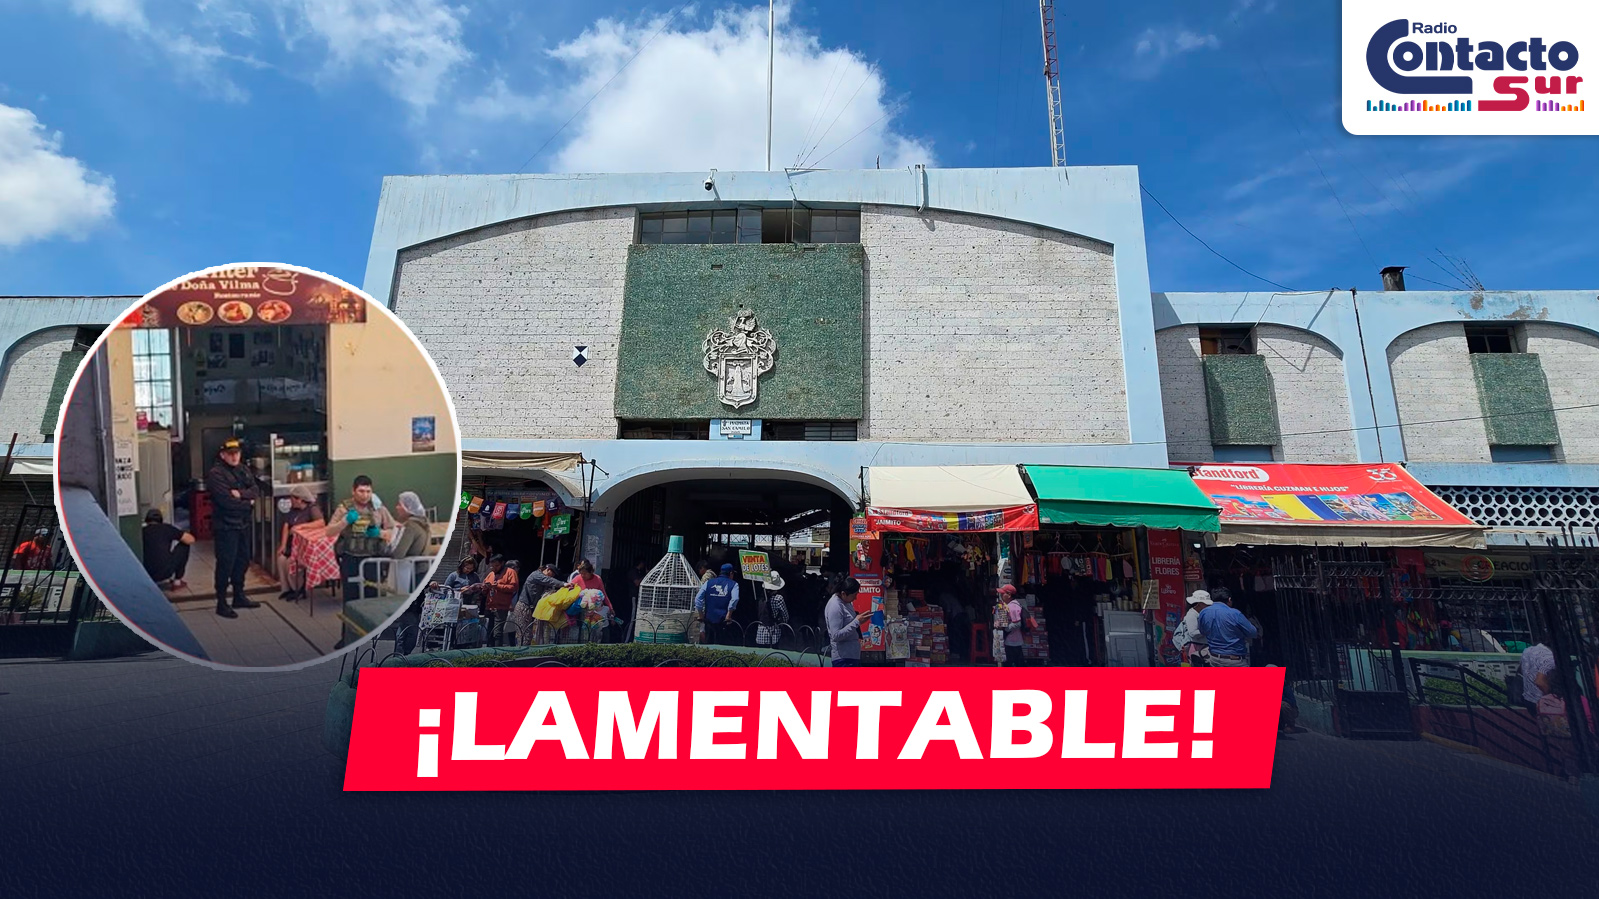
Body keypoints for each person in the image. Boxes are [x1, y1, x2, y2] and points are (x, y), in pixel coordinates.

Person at [205, 438, 261, 618]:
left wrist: (241, 494)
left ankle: (239, 595)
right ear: (223, 455)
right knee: (225, 564)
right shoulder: (216, 474)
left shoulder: (243, 469)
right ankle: (221, 603)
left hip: (243, 524)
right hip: (225, 526)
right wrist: (248, 503)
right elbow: (226, 501)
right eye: (230, 454)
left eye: (236, 453)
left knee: (243, 560)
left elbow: (255, 490)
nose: (234, 456)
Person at [327, 475, 396, 601]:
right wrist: (344, 521)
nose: (365, 495)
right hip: (350, 558)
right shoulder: (343, 509)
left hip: (373, 558)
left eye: (368, 491)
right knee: (351, 596)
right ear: (353, 491)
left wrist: (379, 533)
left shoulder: (378, 508)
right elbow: (329, 532)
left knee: (372, 596)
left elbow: (393, 531)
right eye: (361, 491)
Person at [274, 485, 323, 602]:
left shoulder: (312, 509)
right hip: (292, 544)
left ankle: (297, 588)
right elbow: (286, 526)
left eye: (292, 498)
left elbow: (321, 523)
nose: (290, 500)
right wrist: (283, 545)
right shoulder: (293, 510)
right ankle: (286, 589)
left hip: (304, 547)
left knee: (290, 563)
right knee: (281, 559)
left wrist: (301, 527)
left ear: (299, 499)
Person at [1197, 587, 1257, 667]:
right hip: (1234, 661)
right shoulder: (1235, 614)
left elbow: (1202, 631)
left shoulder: (1204, 613)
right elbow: (1253, 633)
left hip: (1214, 658)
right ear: (1229, 599)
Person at [516, 562, 567, 647]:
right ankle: (520, 651)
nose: (552, 576)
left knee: (529, 634)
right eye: (552, 573)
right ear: (548, 570)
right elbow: (548, 580)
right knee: (523, 633)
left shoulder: (543, 581)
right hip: (524, 606)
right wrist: (564, 584)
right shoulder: (536, 575)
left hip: (532, 608)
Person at [140, 510, 194, 589]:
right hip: (166, 572)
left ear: (146, 520)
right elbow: (191, 539)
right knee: (184, 545)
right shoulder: (167, 528)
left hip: (146, 573)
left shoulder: (141, 531)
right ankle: (177, 582)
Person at [824, 577, 872, 667]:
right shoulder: (835, 606)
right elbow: (836, 635)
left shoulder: (846, 602)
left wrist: (860, 620)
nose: (855, 598)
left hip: (852, 655)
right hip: (843, 658)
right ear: (843, 594)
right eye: (854, 595)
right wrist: (856, 622)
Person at [694, 563, 742, 645]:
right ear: (731, 573)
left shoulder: (708, 583)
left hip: (709, 620)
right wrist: (729, 615)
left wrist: (701, 615)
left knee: (708, 646)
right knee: (723, 647)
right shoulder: (734, 584)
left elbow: (698, 599)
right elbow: (735, 599)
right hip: (724, 622)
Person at [478, 555, 519, 646]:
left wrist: (498, 586)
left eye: (496, 566)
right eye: (492, 566)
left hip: (501, 607)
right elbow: (485, 588)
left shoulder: (510, 572)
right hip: (489, 606)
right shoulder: (491, 574)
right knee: (489, 632)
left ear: (502, 563)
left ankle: (498, 651)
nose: (494, 568)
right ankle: (488, 651)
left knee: (497, 633)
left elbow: (514, 587)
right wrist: (484, 588)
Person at [1172, 590, 1212, 666]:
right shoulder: (1192, 615)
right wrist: (1208, 630)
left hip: (1201, 646)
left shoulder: (1199, 614)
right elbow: (1193, 633)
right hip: (1195, 647)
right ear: (1200, 604)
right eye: (1206, 604)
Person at [997, 584, 1034, 667]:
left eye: (1003, 593)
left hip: (1012, 641)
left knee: (1011, 664)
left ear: (1009, 595)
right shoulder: (1011, 605)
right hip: (1013, 640)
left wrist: (1005, 629)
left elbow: (1017, 623)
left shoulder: (1012, 606)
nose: (1001, 595)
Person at [755, 572, 790, 648]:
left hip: (760, 632)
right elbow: (785, 616)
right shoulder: (778, 598)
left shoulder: (761, 597)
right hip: (773, 632)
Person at [1520, 642, 1558, 710]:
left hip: (1528, 699)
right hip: (1543, 702)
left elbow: (1523, 670)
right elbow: (1539, 682)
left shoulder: (1528, 650)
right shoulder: (1550, 658)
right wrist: (1552, 699)